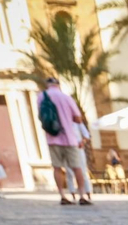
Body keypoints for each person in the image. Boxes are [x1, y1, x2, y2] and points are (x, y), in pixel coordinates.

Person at [38, 76, 90, 206]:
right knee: (77, 167)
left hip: (52, 138)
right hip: (69, 138)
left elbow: (41, 117)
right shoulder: (66, 98)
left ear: (47, 85)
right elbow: (78, 119)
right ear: (58, 85)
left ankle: (62, 195)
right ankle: (82, 195)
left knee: (57, 167)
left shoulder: (41, 97)